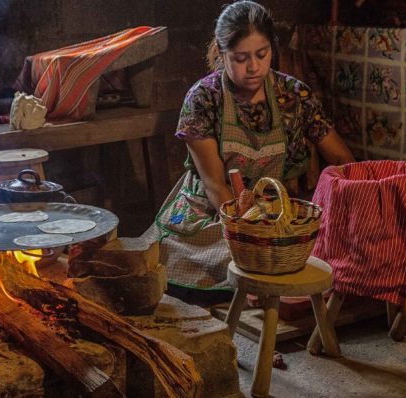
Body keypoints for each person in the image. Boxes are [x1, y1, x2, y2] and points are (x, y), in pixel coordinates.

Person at [142, 0, 355, 290]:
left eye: (262, 54)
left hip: (275, 214)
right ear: (220, 51)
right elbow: (215, 184)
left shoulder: (293, 94)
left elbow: (341, 157)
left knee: (318, 251)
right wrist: (249, 234)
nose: (253, 67)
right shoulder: (204, 98)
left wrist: (358, 200)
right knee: (224, 264)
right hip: (216, 214)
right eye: (241, 57)